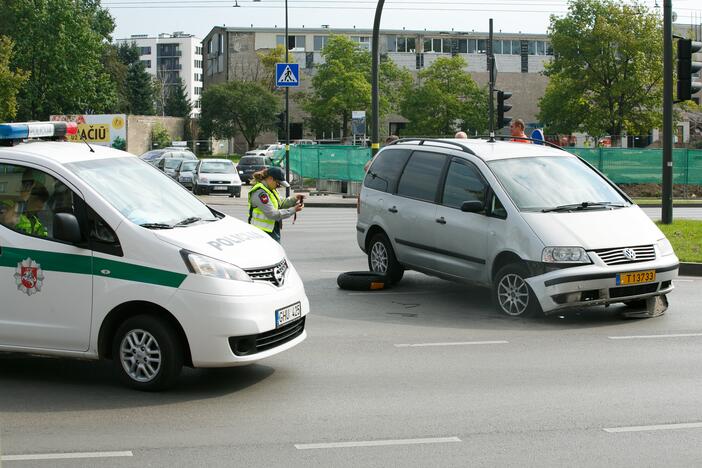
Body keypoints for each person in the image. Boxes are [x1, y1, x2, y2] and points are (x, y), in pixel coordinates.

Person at [248, 167, 303, 243]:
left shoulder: (270, 189)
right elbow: (272, 214)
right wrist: (293, 210)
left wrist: (295, 199)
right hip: (262, 232)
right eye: (278, 183)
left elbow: (281, 203)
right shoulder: (260, 193)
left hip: (271, 229)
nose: (279, 186)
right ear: (270, 179)